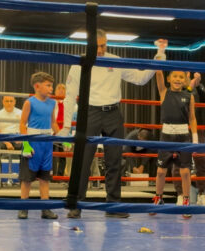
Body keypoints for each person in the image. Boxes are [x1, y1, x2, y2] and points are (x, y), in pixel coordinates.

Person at [58, 29, 157, 219]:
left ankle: (113, 205)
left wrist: (157, 59)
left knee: (114, 161)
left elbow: (139, 79)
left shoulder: (115, 59)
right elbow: (69, 96)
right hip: (90, 113)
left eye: (104, 45)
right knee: (83, 161)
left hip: (113, 113)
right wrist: (65, 126)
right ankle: (76, 203)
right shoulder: (79, 64)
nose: (102, 50)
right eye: (98, 46)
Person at [153, 69, 198, 219]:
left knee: (185, 171)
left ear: (185, 80)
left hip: (184, 136)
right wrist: (161, 51)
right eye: (175, 76)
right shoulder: (164, 92)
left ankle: (186, 201)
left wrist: (195, 137)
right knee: (160, 171)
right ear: (169, 79)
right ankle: (158, 198)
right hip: (166, 135)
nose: (178, 79)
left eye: (181, 77)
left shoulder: (189, 96)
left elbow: (192, 118)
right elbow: (158, 73)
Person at [18, 72, 59, 219]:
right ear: (37, 86)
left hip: (47, 142)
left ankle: (45, 209)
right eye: (48, 85)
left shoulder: (53, 103)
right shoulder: (30, 102)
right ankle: (23, 208)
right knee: (27, 179)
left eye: (51, 85)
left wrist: (62, 137)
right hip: (32, 141)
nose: (51, 88)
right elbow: (22, 124)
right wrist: (26, 143)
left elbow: (53, 122)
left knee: (45, 178)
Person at [172, 72, 205, 206]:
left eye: (183, 75)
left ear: (188, 75)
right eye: (177, 76)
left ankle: (201, 194)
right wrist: (190, 86)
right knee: (178, 162)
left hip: (197, 128)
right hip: (178, 129)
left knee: (201, 161)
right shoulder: (175, 88)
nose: (179, 78)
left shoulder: (196, 88)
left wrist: (199, 85)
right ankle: (180, 195)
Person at [0, 96, 22, 175]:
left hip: (17, 137)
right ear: (3, 102)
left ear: (15, 102)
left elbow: (24, 128)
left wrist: (21, 138)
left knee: (26, 147)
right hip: (3, 138)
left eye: (11, 101)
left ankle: (23, 176)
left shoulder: (21, 113)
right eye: (7, 101)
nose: (9, 103)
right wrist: (7, 143)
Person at [52, 83, 66, 176]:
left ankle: (60, 175)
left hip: (64, 132)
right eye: (59, 88)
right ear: (55, 91)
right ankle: (51, 174)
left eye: (63, 89)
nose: (61, 90)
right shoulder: (50, 102)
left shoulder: (71, 103)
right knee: (51, 153)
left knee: (63, 155)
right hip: (52, 131)